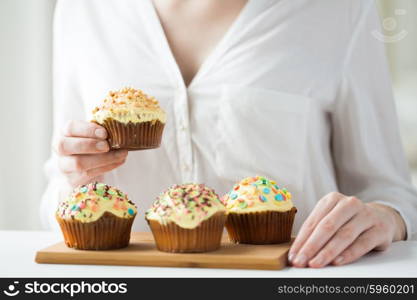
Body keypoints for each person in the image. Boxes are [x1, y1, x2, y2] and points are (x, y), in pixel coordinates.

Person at [41, 0, 417, 268]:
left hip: (293, 281)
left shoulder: (340, 10)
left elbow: (391, 193)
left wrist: (385, 217)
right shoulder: (82, 10)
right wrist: (73, 174)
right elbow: (53, 201)